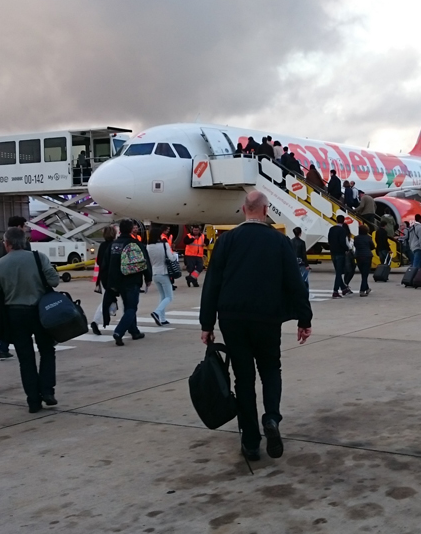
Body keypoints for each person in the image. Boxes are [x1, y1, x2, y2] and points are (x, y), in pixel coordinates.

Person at [199, 191, 312, 461]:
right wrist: (304, 318)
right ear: (265, 210)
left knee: (244, 378)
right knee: (271, 368)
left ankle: (250, 442)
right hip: (267, 318)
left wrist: (207, 323)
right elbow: (295, 283)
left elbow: (212, 283)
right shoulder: (279, 240)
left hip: (232, 318)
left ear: (243, 210)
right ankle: (271, 417)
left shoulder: (227, 240)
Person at [0, 227, 59, 413]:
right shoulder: (38, 257)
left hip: (15, 314)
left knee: (26, 359)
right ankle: (48, 391)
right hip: (40, 312)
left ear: (7, 244)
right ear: (25, 242)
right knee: (47, 351)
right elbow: (54, 280)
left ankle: (33, 400)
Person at [0, 215, 31, 359]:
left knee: (4, 320)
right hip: (19, 290)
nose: (26, 228)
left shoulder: (0, 246)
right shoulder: (24, 244)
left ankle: (3, 348)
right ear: (19, 227)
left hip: (3, 291)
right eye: (24, 226)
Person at [107, 219, 150, 346]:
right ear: (131, 229)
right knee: (132, 307)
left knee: (127, 306)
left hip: (118, 281)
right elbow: (145, 261)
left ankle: (134, 331)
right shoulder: (136, 244)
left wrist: (110, 283)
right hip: (132, 280)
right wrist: (148, 278)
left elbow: (107, 264)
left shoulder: (114, 245)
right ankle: (119, 331)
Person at [147, 225, 179, 324]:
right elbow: (171, 257)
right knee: (169, 296)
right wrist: (175, 255)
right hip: (164, 272)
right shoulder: (164, 245)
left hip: (154, 272)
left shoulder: (148, 246)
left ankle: (162, 318)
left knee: (162, 296)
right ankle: (156, 312)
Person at [90, 225, 118, 335]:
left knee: (106, 299)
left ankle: (99, 319)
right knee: (106, 301)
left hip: (102, 276)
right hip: (111, 277)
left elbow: (98, 261)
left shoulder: (102, 246)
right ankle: (96, 321)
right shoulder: (114, 246)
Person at [327, 214, 351, 298]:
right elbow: (342, 242)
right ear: (343, 221)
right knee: (339, 273)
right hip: (340, 253)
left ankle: (344, 288)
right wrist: (347, 249)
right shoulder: (342, 230)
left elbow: (329, 240)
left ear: (336, 220)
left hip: (333, 252)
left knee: (338, 272)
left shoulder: (331, 229)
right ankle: (335, 291)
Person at [354, 228, 374, 296]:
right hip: (367, 256)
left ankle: (367, 288)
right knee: (365, 274)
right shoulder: (368, 237)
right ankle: (362, 290)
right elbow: (372, 246)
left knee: (363, 273)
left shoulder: (356, 238)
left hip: (358, 256)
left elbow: (355, 245)